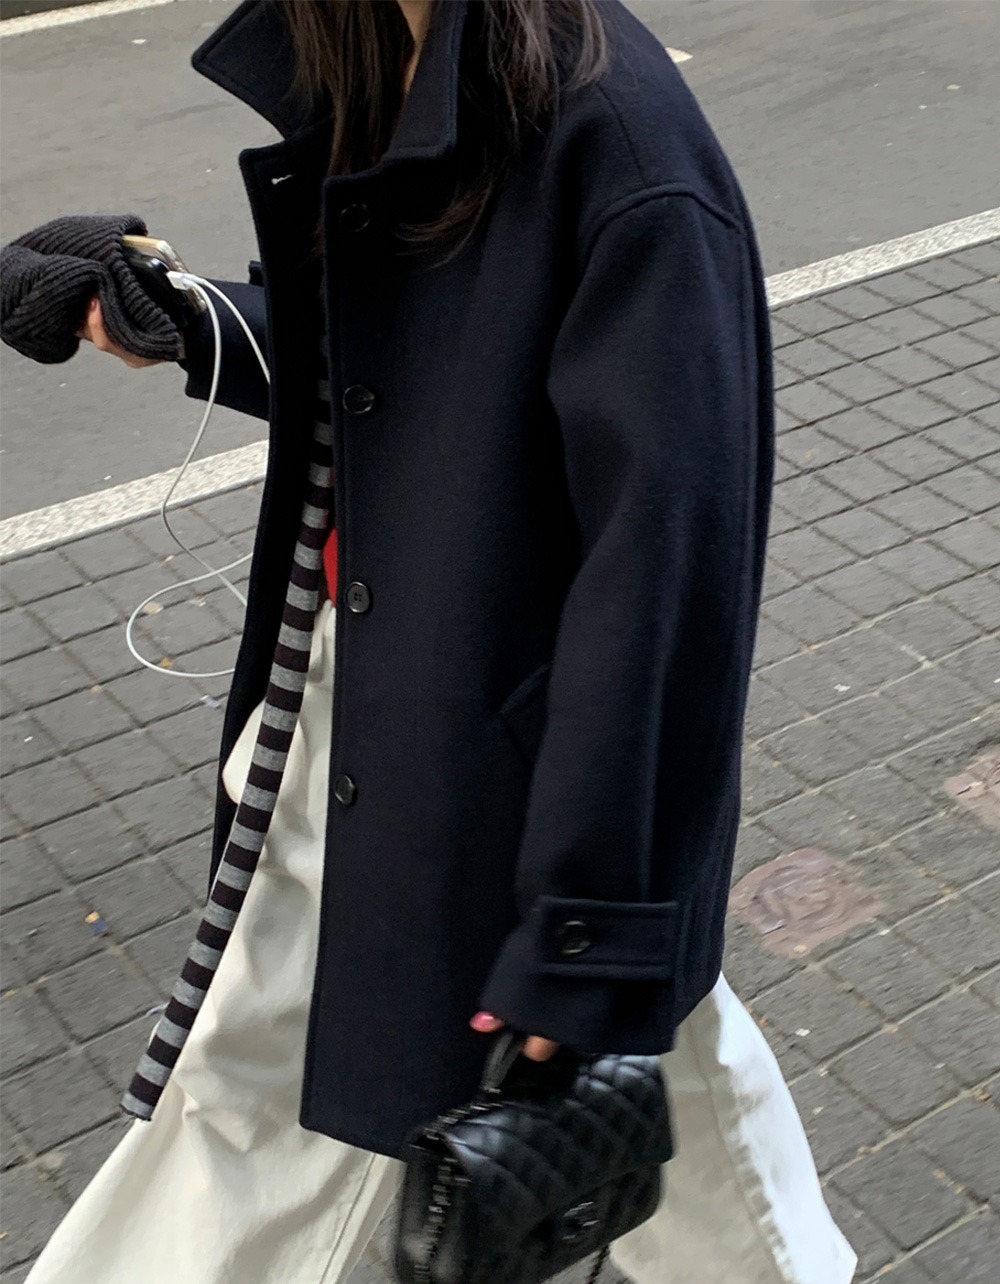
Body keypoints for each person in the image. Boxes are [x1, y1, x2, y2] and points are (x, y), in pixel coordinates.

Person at [25, 2, 856, 1281]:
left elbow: (665, 574)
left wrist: (591, 917)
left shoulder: (615, 140)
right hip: (388, 688)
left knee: (263, 1090)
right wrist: (188, 319)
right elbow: (406, 374)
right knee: (631, 1064)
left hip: (481, 750)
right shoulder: (388, 50)